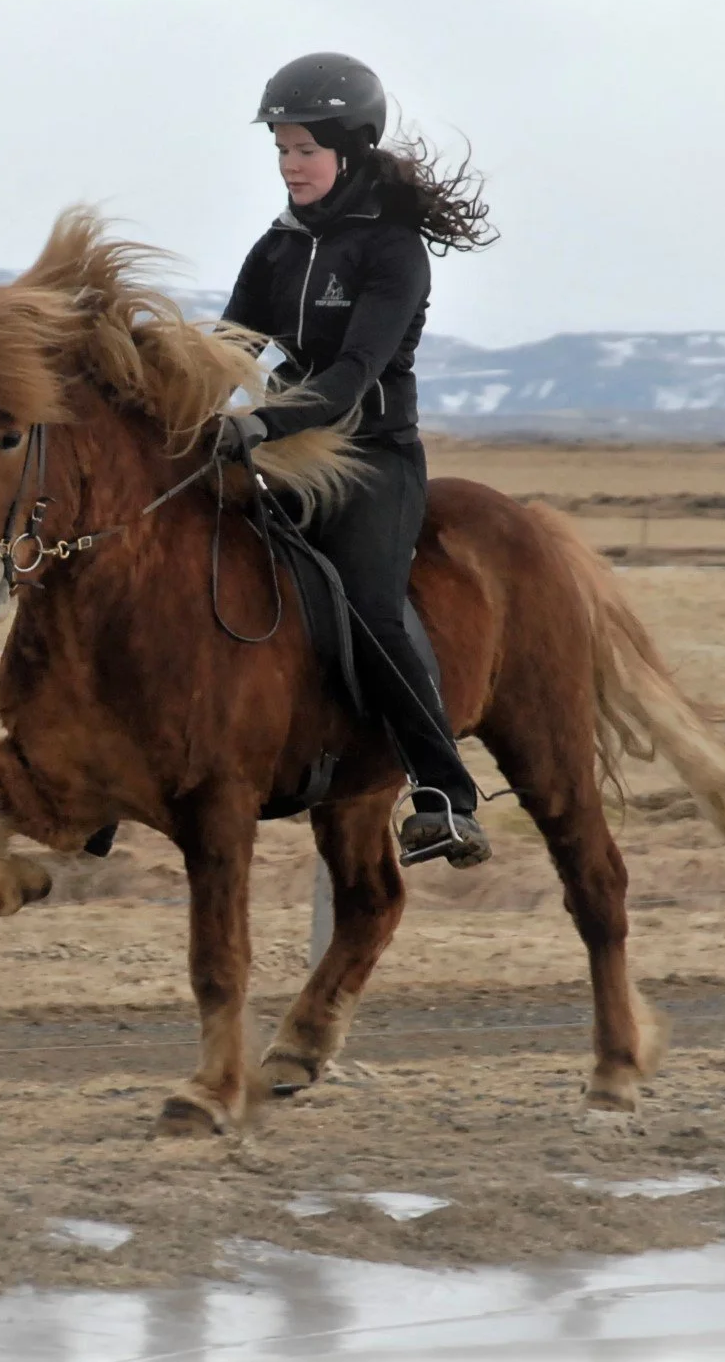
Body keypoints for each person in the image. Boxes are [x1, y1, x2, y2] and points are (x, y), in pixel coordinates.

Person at [220, 52, 497, 869]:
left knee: (369, 605)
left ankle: (446, 792)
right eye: (280, 149)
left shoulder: (392, 252)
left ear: (348, 148)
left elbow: (346, 384)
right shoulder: (277, 247)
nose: (289, 165)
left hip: (374, 458)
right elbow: (228, 343)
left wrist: (256, 423)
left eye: (304, 149)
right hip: (286, 451)